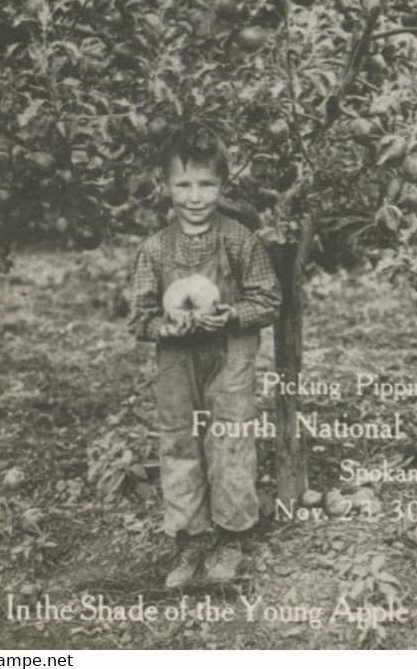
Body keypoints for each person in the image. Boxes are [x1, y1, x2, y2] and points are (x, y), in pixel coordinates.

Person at [128, 122, 281, 588]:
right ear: (166, 186)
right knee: (179, 440)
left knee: (231, 439)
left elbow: (269, 299)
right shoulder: (154, 250)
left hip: (230, 354)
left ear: (223, 185)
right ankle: (189, 537)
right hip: (177, 359)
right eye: (184, 184)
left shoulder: (239, 240)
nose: (195, 196)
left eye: (207, 184)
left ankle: (231, 537)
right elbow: (139, 317)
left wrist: (232, 314)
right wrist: (165, 325)